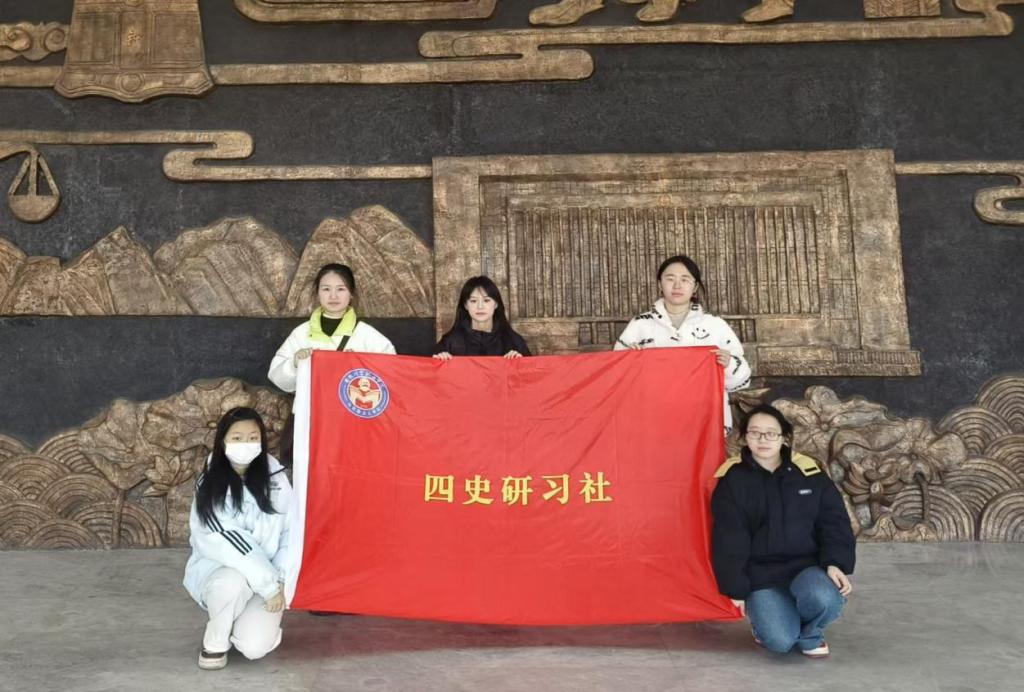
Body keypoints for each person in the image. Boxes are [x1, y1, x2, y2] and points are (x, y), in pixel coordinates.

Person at [710, 404, 856, 657]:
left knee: (825, 597)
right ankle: (771, 620)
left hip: (805, 567)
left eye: (771, 433)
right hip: (760, 576)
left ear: (784, 437)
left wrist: (835, 562)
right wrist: (735, 587)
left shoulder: (809, 473)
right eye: (755, 433)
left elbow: (834, 522)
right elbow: (729, 538)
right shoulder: (733, 480)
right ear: (745, 437)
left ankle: (811, 632)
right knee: (780, 642)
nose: (763, 440)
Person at [183, 407, 293, 670]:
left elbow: (291, 531)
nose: (246, 444)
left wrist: (281, 578)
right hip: (223, 572)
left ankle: (243, 621)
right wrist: (268, 584)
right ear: (223, 441)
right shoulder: (210, 484)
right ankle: (215, 642)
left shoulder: (276, 479)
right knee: (231, 583)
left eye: (253, 437)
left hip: (270, 577)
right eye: (237, 438)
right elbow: (228, 542)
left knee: (254, 648)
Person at [614, 254, 751, 430]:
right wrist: (628, 360)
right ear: (660, 284)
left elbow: (742, 378)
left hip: (704, 420)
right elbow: (616, 375)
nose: (677, 285)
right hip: (652, 418)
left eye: (685, 279)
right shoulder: (640, 324)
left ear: (695, 287)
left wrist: (728, 363)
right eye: (670, 279)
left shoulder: (714, 325)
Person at [268, 263, 396, 395]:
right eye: (326, 289)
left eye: (340, 289)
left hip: (351, 406)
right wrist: (294, 364)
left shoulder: (367, 335)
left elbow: (393, 373)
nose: (333, 296)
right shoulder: (301, 333)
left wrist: (362, 365)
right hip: (309, 407)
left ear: (351, 293)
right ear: (317, 293)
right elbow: (276, 377)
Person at [433, 276, 531, 360]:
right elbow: (432, 373)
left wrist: (521, 363)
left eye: (486, 300)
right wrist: (439, 362)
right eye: (473, 301)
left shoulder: (513, 341)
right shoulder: (450, 342)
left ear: (496, 304)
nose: (480, 306)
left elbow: (531, 374)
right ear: (465, 305)